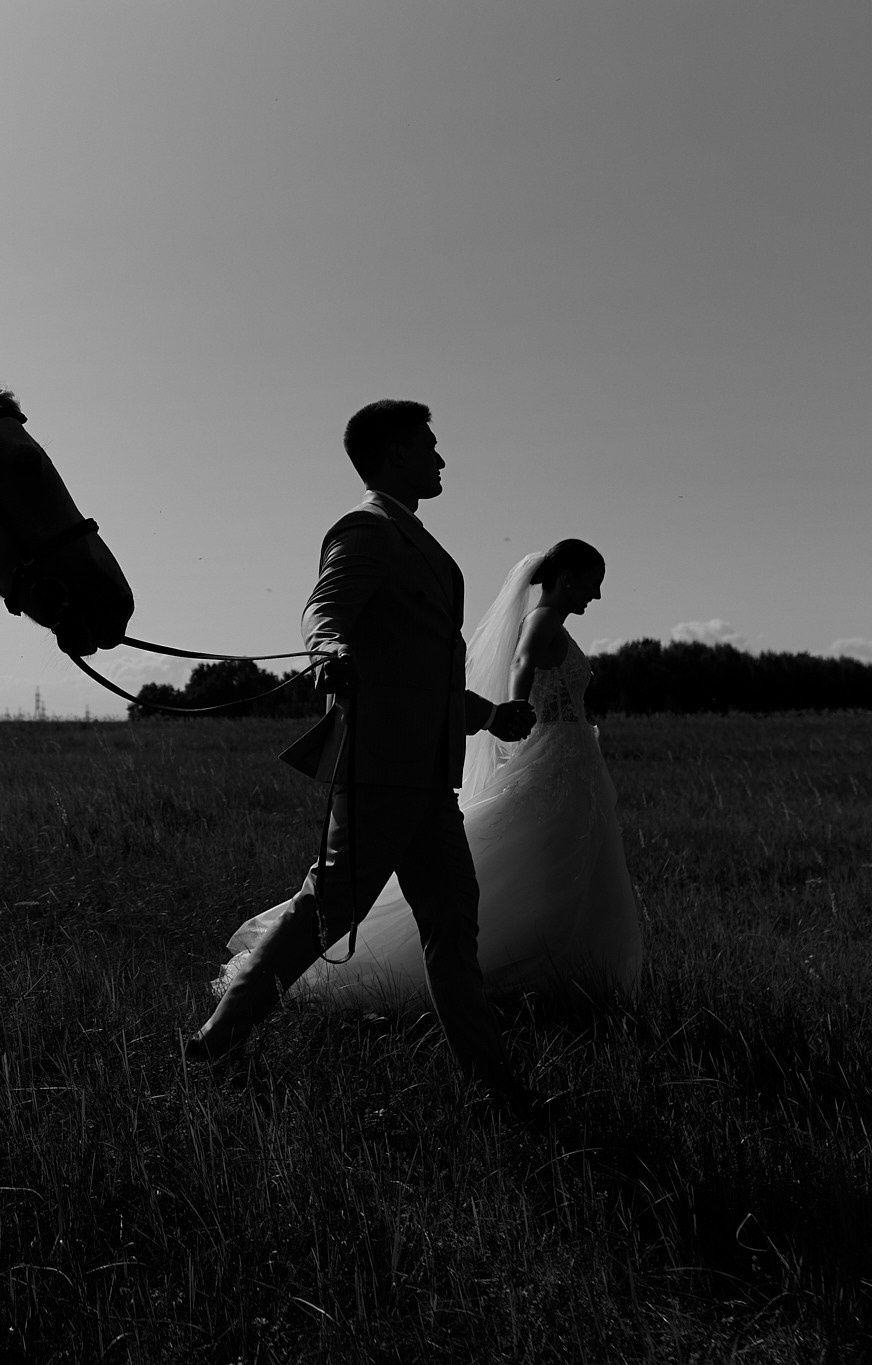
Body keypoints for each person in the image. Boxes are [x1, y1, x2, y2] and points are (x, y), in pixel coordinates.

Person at [183, 400, 542, 1115]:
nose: (441, 460)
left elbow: (423, 675)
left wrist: (489, 716)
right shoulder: (366, 529)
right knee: (329, 910)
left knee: (453, 923)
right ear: (391, 454)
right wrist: (331, 651)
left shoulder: (423, 545)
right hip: (377, 766)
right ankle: (216, 1041)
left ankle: (491, 1083)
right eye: (429, 447)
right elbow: (326, 610)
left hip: (431, 777)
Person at [223, 540, 645, 1014]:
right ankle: (515, 977)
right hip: (555, 756)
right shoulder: (543, 620)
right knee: (531, 862)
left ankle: (563, 974)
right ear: (567, 578)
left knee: (571, 863)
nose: (598, 595)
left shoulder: (555, 626)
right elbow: (523, 662)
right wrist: (518, 715)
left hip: (572, 759)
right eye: (593, 583)